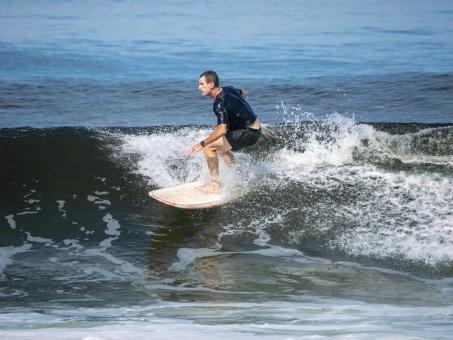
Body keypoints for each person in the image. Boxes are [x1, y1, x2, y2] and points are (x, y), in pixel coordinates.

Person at [187, 70, 261, 194]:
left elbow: (221, 130)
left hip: (247, 132)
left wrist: (201, 144)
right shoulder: (229, 89)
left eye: (202, 84)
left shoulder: (219, 104)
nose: (199, 87)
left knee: (209, 147)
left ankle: (215, 186)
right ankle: (238, 176)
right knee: (222, 149)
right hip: (255, 129)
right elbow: (243, 92)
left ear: (211, 84)